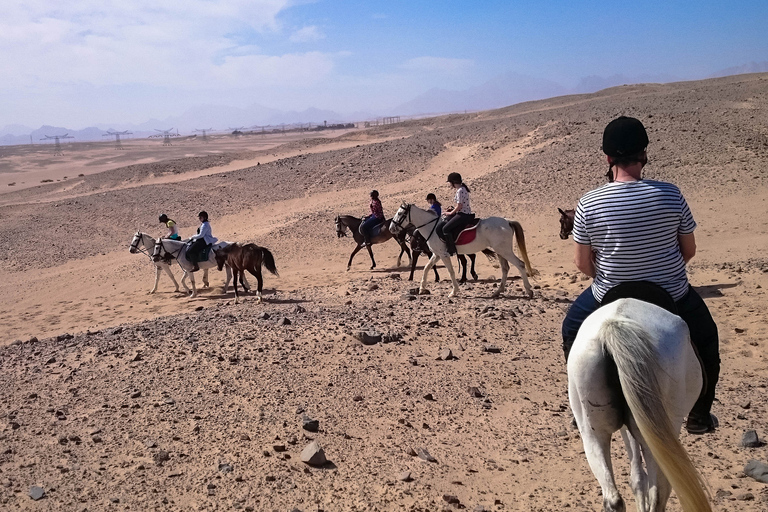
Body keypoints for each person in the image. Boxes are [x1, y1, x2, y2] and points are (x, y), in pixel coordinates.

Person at [561, 116, 720, 434]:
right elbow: (689, 250)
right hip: (671, 293)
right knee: (707, 341)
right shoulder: (671, 194)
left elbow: (581, 264)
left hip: (608, 293)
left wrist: (609, 276)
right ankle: (701, 414)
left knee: (570, 331)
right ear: (644, 154)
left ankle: (582, 405)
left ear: (608, 158)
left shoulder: (588, 203)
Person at [437, 172, 474, 256]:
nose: (449, 184)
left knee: (445, 229)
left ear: (453, 182)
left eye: (450, 182)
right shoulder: (463, 189)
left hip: (463, 215)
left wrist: (450, 212)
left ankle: (451, 249)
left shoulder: (460, 191)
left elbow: (460, 206)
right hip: (465, 213)